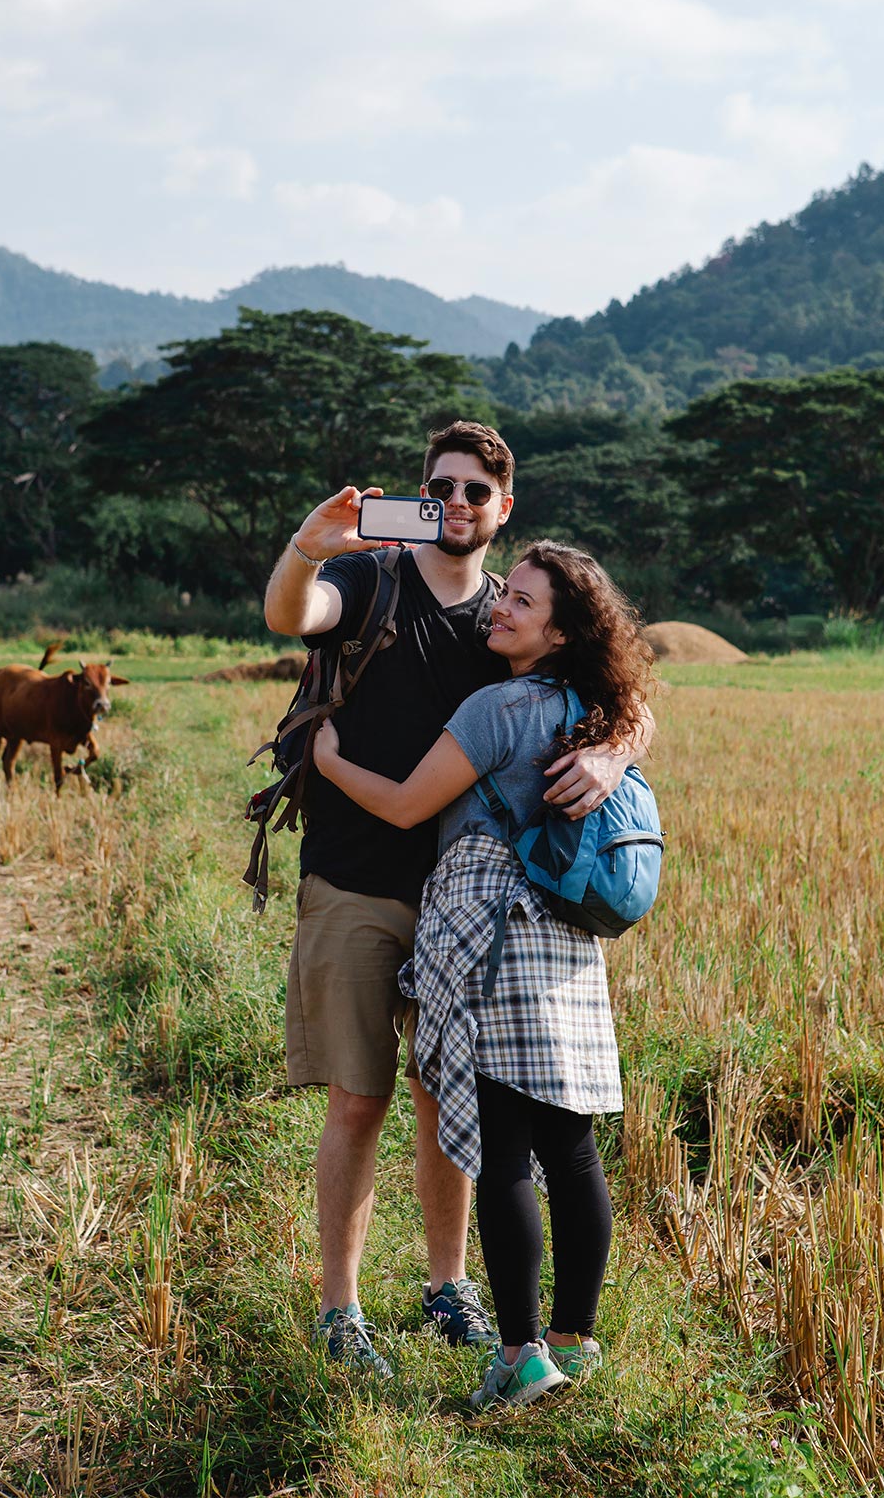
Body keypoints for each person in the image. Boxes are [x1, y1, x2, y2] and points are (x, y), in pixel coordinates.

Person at [264, 422, 650, 1378]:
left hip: (462, 908)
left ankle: (449, 1290)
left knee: (451, 1099)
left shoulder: (507, 616)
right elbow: (288, 616)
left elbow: (621, 689)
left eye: (477, 491)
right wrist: (309, 548)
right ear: (421, 492)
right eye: (442, 487)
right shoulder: (371, 578)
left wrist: (612, 752)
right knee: (359, 1101)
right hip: (356, 879)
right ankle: (340, 1310)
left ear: (502, 507)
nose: (459, 504)